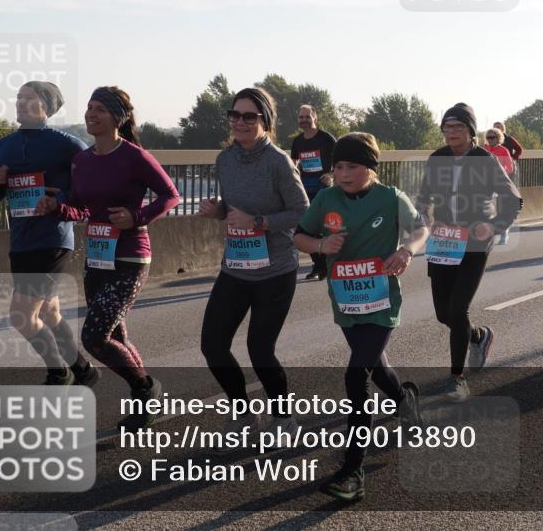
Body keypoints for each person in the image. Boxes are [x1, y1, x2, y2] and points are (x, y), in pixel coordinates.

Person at [294, 133, 428, 502]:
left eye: (352, 166)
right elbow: (300, 236)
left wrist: (406, 251)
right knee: (376, 367)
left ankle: (352, 473)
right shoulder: (326, 199)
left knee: (357, 376)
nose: (343, 173)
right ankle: (405, 401)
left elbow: (421, 229)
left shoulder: (390, 197)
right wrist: (321, 245)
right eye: (338, 166)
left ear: (370, 167)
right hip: (347, 302)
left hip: (382, 303)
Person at [36, 86, 180, 429]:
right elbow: (81, 207)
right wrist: (56, 208)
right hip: (98, 259)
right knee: (114, 336)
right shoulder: (81, 161)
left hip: (131, 258)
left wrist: (137, 217)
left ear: (118, 117)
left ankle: (146, 388)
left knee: (94, 337)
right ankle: (144, 398)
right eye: (88, 108)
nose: (90, 114)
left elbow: (170, 196)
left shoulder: (134, 156)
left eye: (99, 109)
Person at [199, 88, 309, 451]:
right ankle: (243, 413)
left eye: (250, 117)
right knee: (213, 345)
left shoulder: (278, 161)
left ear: (265, 122)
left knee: (260, 349)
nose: (241, 123)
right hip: (236, 265)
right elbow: (233, 209)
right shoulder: (224, 159)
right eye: (235, 115)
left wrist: (259, 221)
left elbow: (300, 211)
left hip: (275, 269)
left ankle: (283, 418)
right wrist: (219, 212)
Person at [0, 82, 96, 387]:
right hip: (21, 239)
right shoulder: (5, 145)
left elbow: (87, 190)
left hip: (53, 238)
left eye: (29, 98)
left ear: (46, 105)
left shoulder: (68, 145)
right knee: (48, 311)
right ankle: (83, 369)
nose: (20, 102)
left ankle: (58, 372)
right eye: (19, 97)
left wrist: (58, 201)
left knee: (21, 315)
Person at [418, 104, 522, 402]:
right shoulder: (437, 159)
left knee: (458, 308)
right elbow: (425, 197)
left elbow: (513, 200)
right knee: (443, 313)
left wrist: (494, 226)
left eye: (458, 127)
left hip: (475, 241)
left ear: (470, 130)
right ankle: (478, 336)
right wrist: (426, 215)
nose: (451, 133)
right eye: (447, 128)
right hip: (443, 240)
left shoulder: (484, 160)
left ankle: (456, 379)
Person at [290, 105, 337, 280]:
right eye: (301, 117)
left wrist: (332, 175)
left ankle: (323, 265)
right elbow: (293, 163)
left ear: (315, 117)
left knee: (320, 228)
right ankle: (319, 265)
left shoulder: (326, 139)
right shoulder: (298, 141)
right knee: (305, 228)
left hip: (323, 188)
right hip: (304, 188)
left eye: (307, 117)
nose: (303, 120)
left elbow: (341, 158)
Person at [483, 128, 515, 245]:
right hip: (485, 184)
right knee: (486, 209)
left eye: (492, 137)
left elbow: (510, 168)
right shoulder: (483, 150)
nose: (490, 140)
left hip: (499, 184)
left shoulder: (503, 150)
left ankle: (504, 232)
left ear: (498, 138)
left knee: (501, 210)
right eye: (488, 137)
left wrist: (498, 172)